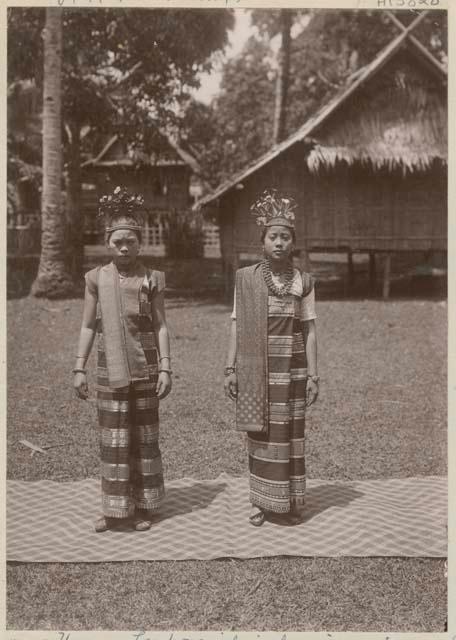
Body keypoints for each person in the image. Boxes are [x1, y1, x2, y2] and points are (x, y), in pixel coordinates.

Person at [73, 186, 172, 532]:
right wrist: (78, 367)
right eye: (118, 242)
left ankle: (144, 506)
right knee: (114, 439)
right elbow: (88, 325)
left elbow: (161, 326)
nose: (125, 247)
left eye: (131, 241)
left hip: (145, 371)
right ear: (108, 243)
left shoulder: (152, 278)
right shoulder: (95, 279)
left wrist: (165, 367)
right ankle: (115, 509)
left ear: (140, 242)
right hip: (109, 370)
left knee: (144, 438)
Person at [224, 189, 319, 526]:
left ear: (293, 243)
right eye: (272, 237)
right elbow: (236, 325)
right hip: (257, 374)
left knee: (290, 434)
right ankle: (264, 502)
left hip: (292, 373)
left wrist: (313, 375)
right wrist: (230, 368)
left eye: (285, 237)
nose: (279, 243)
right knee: (262, 436)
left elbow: (309, 330)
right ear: (262, 241)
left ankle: (290, 502)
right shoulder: (246, 280)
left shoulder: (302, 282)